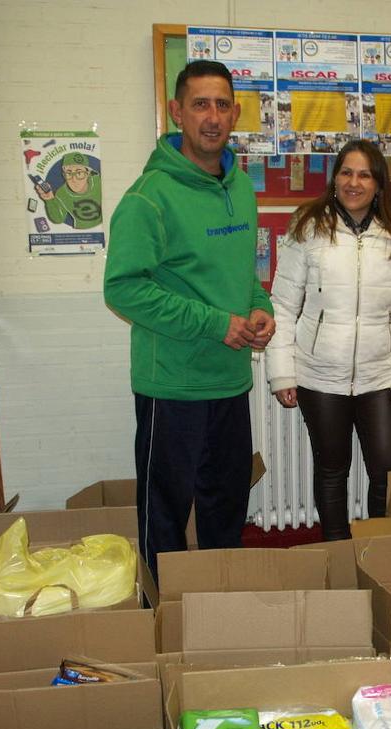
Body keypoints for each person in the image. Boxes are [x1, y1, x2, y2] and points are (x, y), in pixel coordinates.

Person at [103, 60, 275, 580]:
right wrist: (214, 324)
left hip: (228, 381)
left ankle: (220, 616)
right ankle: (165, 622)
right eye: (200, 104)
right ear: (177, 111)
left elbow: (241, 274)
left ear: (236, 114)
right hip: (171, 387)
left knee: (227, 512)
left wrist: (259, 308)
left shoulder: (239, 186)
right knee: (165, 518)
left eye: (222, 105)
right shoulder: (148, 197)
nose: (212, 116)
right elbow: (123, 289)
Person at [266, 139, 391, 540]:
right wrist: (281, 373)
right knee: (332, 468)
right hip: (319, 376)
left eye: (364, 174)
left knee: (387, 472)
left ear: (378, 184)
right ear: (335, 178)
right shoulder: (307, 227)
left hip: (381, 376)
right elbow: (282, 306)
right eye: (346, 172)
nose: (354, 182)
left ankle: (377, 550)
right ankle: (338, 552)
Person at [37, 152, 103, 229]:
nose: (74, 179)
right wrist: (49, 200)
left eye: (79, 173)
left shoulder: (99, 181)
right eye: (69, 173)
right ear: (64, 175)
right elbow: (58, 219)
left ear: (88, 173)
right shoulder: (61, 193)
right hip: (80, 232)